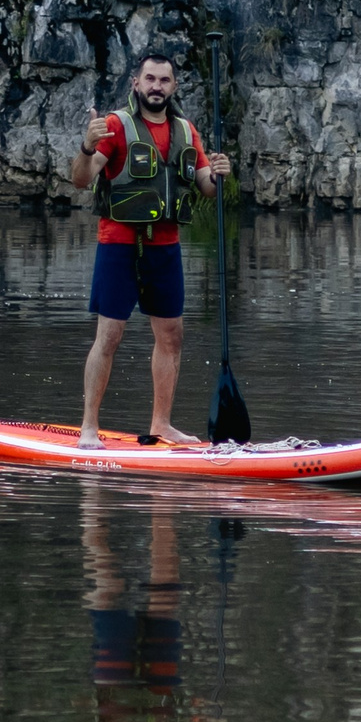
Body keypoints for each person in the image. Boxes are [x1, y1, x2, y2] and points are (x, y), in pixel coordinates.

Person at [66, 51, 231, 448]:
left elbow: (206, 184)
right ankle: (89, 427)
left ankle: (162, 424)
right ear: (135, 84)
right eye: (150, 79)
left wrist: (220, 173)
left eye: (165, 81)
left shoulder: (185, 130)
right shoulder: (114, 126)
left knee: (172, 336)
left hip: (166, 247)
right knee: (109, 336)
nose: (157, 87)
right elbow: (80, 181)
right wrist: (87, 148)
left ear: (173, 87)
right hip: (119, 245)